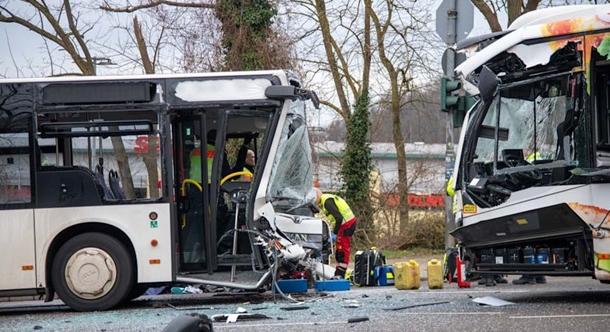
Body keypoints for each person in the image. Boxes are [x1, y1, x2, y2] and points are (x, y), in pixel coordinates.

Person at [315, 189, 357, 278]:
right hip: (346, 224)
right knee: (339, 250)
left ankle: (340, 275)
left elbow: (338, 217)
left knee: (342, 250)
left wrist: (334, 233)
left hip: (346, 224)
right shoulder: (326, 200)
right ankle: (339, 273)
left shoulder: (326, 201)